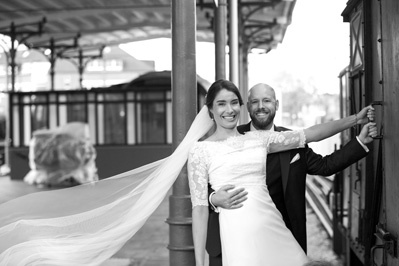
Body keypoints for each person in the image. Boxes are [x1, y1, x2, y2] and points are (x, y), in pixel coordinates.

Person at [187, 80, 376, 266]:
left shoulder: (260, 139)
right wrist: (213, 199)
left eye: (234, 102)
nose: (229, 110)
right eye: (221, 104)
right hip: (233, 234)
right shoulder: (200, 150)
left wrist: (355, 121)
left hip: (274, 228)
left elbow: (313, 134)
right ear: (210, 108)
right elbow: (199, 208)